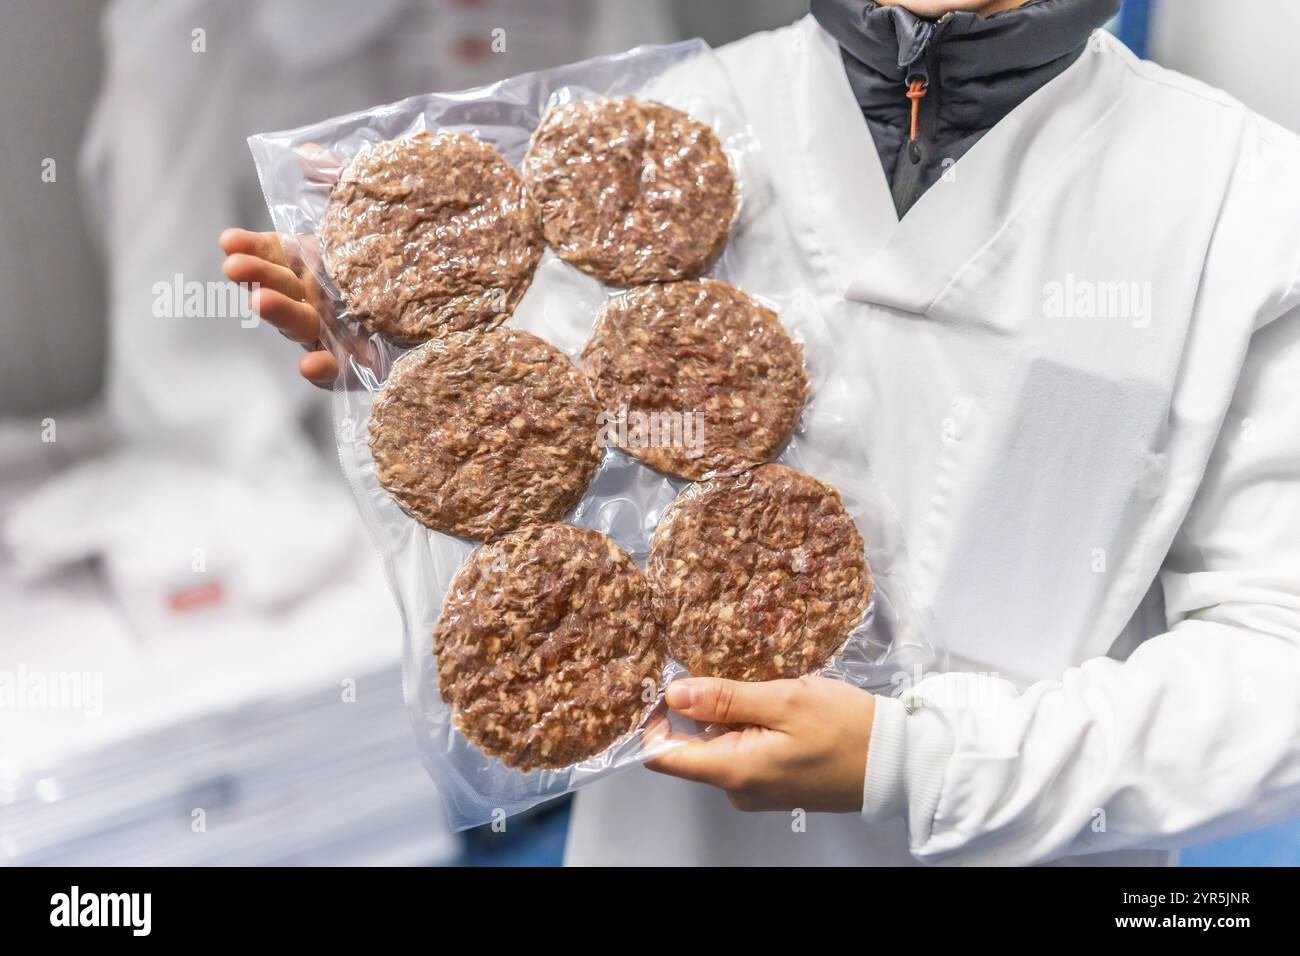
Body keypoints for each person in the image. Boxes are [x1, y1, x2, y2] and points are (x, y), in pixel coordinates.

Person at [221, 0, 1300, 866]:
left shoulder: (1237, 203)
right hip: (676, 840)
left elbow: (1275, 671)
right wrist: (408, 352)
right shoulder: (657, 138)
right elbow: (531, 542)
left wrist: (918, 762)